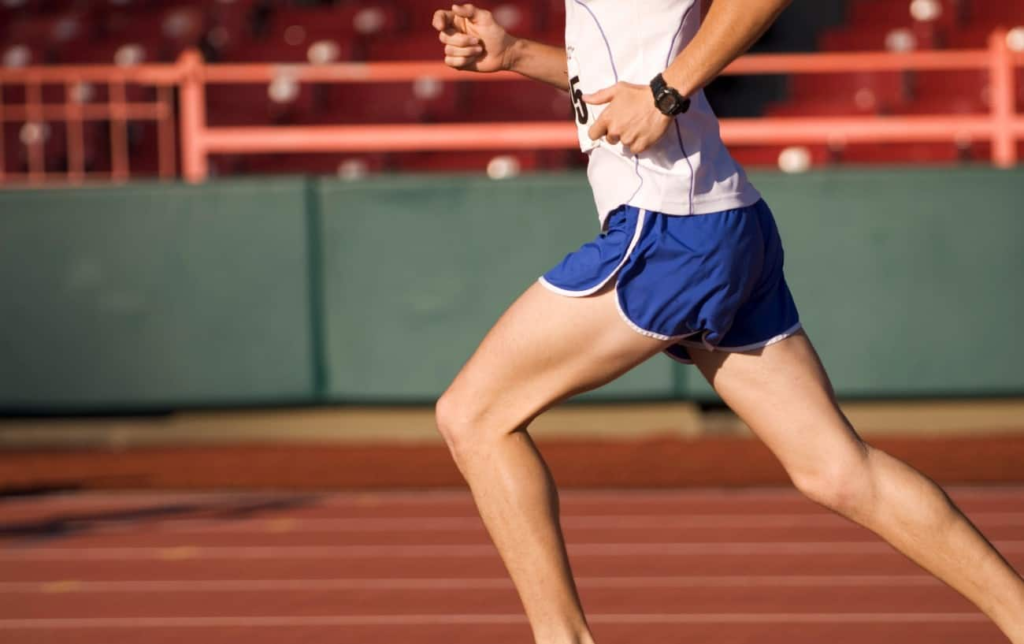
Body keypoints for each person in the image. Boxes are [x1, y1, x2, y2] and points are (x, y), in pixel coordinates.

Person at [430, 1, 1024, 642]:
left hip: (670, 226)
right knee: (838, 470)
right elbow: (620, 66)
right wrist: (516, 54)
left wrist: (665, 93)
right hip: (716, 215)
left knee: (475, 416)